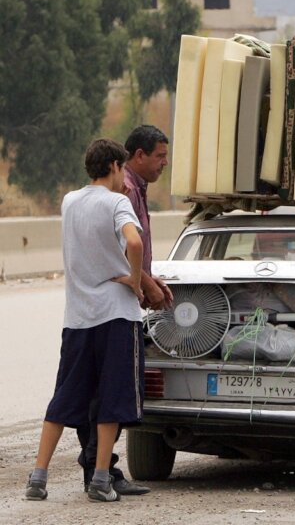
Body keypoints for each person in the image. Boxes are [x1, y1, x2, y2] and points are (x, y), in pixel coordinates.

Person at [25, 138, 146, 503]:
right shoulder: (117, 202)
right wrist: (136, 282)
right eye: (122, 168)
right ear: (113, 166)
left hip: (77, 318)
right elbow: (134, 243)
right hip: (116, 315)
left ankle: (38, 476)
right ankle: (99, 479)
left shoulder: (69, 201)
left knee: (65, 396)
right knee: (111, 397)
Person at [74, 125, 172, 497]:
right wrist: (142, 282)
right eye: (160, 156)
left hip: (110, 306)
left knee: (108, 391)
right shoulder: (122, 191)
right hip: (108, 309)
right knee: (106, 392)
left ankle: (102, 469)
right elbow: (122, 245)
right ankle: (97, 470)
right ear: (136, 156)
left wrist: (149, 279)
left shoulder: (135, 190)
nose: (165, 163)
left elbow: (136, 249)